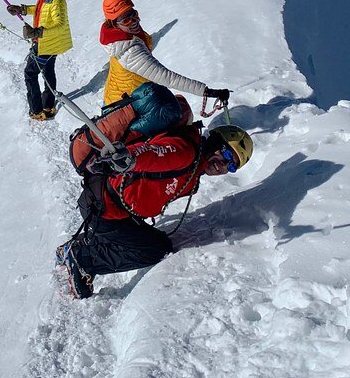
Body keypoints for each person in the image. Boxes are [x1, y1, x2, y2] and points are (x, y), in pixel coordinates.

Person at [57, 124, 253, 299]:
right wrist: (128, 158)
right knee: (153, 251)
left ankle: (81, 244)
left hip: (114, 209)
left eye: (232, 166)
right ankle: (83, 258)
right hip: (105, 209)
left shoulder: (195, 168)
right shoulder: (185, 151)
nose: (224, 166)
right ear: (215, 142)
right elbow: (154, 153)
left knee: (159, 243)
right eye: (227, 155)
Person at [101, 0, 230, 108]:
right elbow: (167, 77)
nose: (133, 21)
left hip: (129, 95)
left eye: (134, 14)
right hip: (125, 105)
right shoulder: (130, 52)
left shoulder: (115, 31)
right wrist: (207, 92)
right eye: (126, 19)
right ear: (115, 24)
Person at [7, 0, 72, 121]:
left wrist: (38, 32)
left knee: (30, 73)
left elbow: (61, 25)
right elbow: (39, 9)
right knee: (48, 71)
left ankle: (36, 111)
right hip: (49, 44)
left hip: (46, 44)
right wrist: (21, 9)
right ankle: (48, 106)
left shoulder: (57, 1)